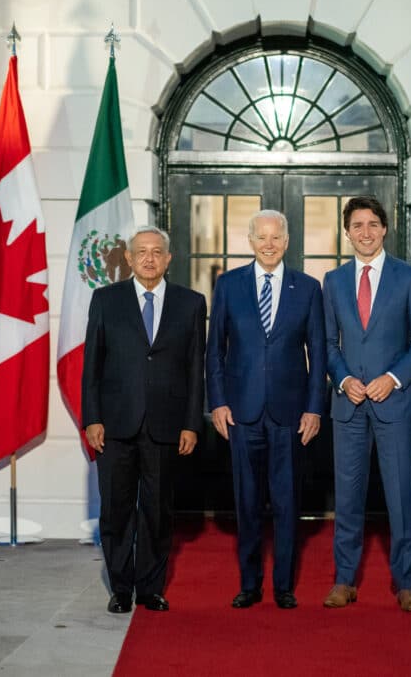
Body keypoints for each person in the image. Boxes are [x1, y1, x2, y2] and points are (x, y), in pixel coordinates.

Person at [81, 226, 206, 614]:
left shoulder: (191, 303)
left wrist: (191, 423)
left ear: (169, 259)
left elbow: (195, 367)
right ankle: (120, 589)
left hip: (167, 425)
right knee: (116, 510)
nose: (149, 258)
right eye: (141, 252)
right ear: (130, 259)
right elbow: (92, 367)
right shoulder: (106, 300)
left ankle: (151, 588)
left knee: (157, 511)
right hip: (115, 424)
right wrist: (92, 417)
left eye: (157, 252)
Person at [206, 210, 327, 610]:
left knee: (288, 504)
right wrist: (218, 401)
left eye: (276, 237)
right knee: (247, 502)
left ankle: (284, 586)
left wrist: (314, 409)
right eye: (262, 237)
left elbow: (319, 355)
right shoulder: (228, 285)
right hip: (241, 413)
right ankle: (250, 584)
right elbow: (215, 353)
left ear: (287, 241)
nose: (269, 244)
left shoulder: (308, 288)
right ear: (251, 241)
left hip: (291, 416)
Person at [321, 196, 411, 612]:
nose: (365, 232)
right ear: (347, 232)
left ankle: (406, 584)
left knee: (400, 496)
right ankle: (344, 581)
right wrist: (345, 378)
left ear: (384, 229)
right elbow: (326, 344)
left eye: (372, 224)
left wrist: (392, 378)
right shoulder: (333, 281)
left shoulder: (409, 278)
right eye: (357, 225)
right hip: (348, 406)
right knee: (348, 497)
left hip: (395, 403)